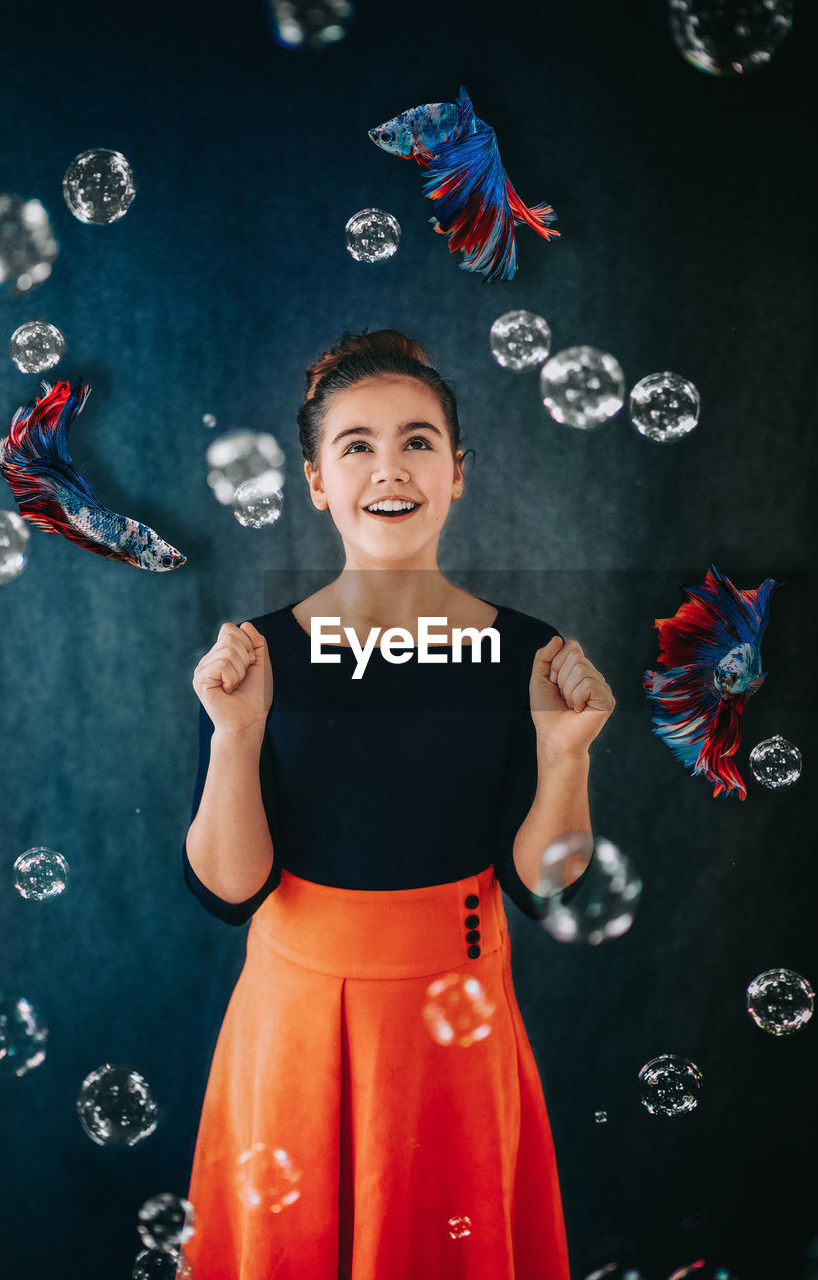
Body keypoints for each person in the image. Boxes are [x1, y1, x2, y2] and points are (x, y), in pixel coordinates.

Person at [179, 329, 615, 1279]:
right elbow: (227, 890)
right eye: (357, 445)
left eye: (418, 441)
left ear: (457, 472)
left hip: (453, 1030)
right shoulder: (252, 660)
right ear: (313, 481)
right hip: (294, 1024)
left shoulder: (524, 657)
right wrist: (235, 734)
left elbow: (544, 882)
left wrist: (564, 754)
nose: (391, 467)